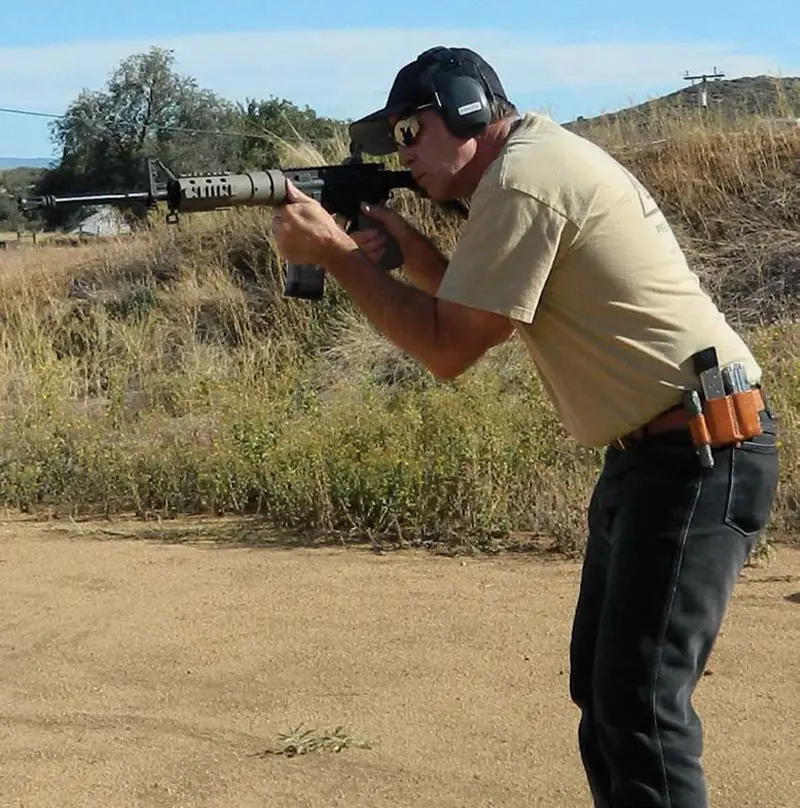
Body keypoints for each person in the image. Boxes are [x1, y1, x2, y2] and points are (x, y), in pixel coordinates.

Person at [271, 45, 779, 807]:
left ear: (466, 107)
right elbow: (477, 311)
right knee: (606, 697)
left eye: (411, 133)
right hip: (656, 453)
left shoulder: (523, 183)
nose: (404, 159)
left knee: (640, 706)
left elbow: (449, 349)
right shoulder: (526, 169)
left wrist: (339, 256)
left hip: (700, 451)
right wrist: (405, 251)